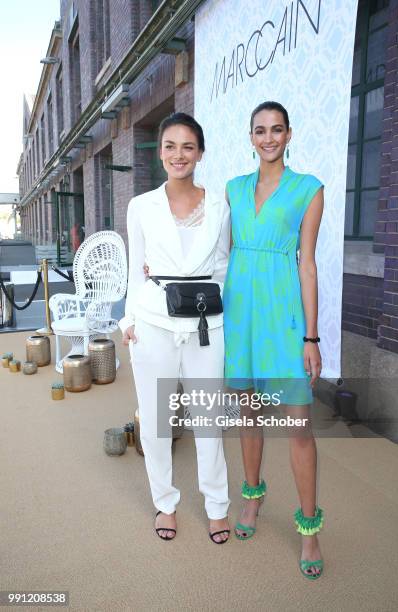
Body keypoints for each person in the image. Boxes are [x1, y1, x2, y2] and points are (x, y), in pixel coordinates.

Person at [223, 101, 324, 578]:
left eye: (276, 130)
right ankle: (252, 498)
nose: (268, 138)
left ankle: (309, 528)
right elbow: (217, 247)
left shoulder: (308, 189)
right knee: (249, 414)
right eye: (259, 130)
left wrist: (311, 336)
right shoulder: (234, 190)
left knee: (300, 427)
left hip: (283, 316)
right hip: (241, 314)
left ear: (288, 135)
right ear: (250, 136)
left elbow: (307, 263)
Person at [120, 113, 231, 544]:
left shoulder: (220, 206)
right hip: (152, 324)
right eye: (170, 145)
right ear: (160, 151)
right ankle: (165, 502)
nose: (178, 154)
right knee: (155, 419)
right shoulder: (140, 206)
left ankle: (216, 506)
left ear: (200, 153)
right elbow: (135, 271)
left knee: (209, 418)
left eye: (187, 146)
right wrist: (128, 320)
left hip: (207, 325)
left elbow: (221, 266)